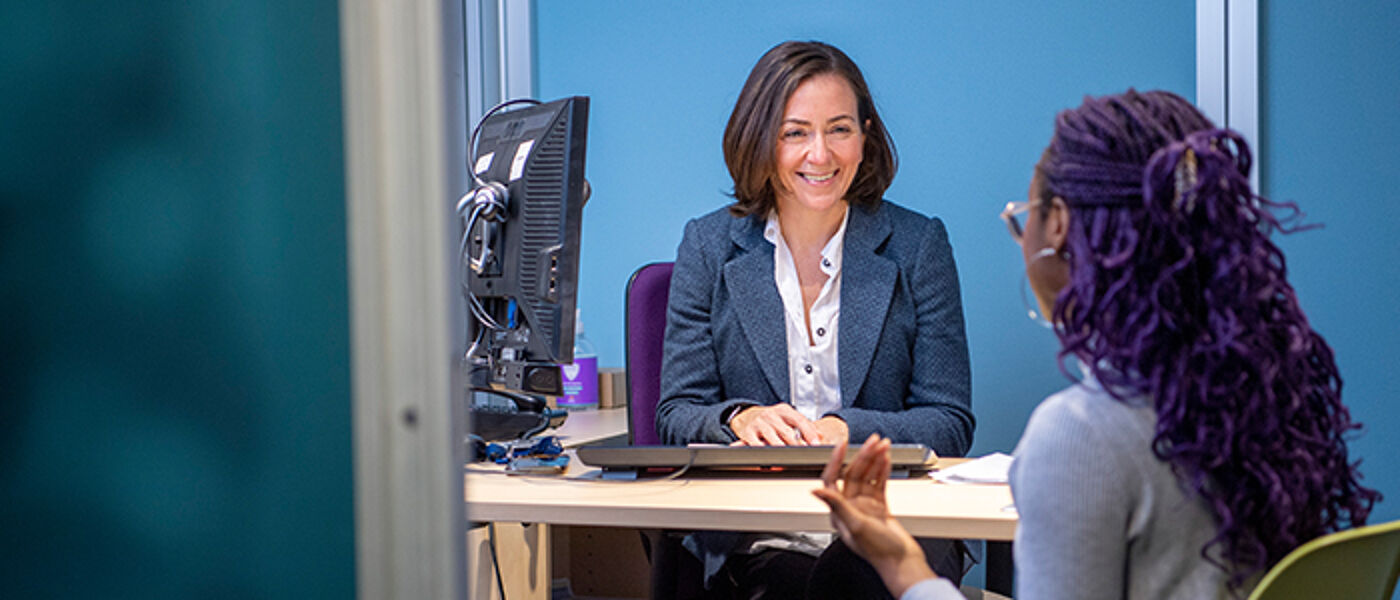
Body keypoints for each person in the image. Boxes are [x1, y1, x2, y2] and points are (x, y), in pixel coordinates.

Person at [813, 89, 1382, 600]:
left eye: (1025, 217)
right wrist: (902, 563)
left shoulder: (1080, 437)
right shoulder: (1256, 398)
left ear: (1058, 225)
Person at [655, 40, 974, 599]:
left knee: (849, 580)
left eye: (840, 129)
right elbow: (677, 412)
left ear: (865, 136)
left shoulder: (918, 245)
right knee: (790, 585)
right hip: (760, 530)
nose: (820, 155)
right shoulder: (707, 245)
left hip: (892, 524)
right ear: (760, 140)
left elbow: (949, 421)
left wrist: (845, 431)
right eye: (795, 133)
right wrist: (739, 419)